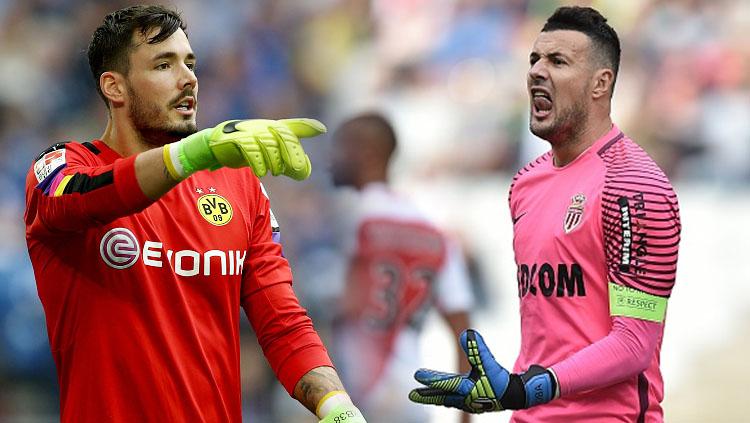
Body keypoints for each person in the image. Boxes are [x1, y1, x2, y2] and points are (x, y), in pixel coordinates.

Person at [23, 5, 365, 423]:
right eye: (163, 65)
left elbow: (283, 324)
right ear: (115, 87)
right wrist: (192, 153)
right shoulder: (64, 167)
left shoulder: (238, 188)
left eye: (190, 63)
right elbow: (86, 196)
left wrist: (339, 410)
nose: (188, 79)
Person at [408, 6, 681, 422]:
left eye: (558, 61)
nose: (537, 71)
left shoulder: (634, 186)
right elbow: (551, 337)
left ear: (600, 83)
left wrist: (528, 387)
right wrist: (501, 390)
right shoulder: (525, 185)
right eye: (534, 59)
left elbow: (634, 343)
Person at [330, 113, 475, 423]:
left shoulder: (349, 218)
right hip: (408, 403)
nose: (332, 158)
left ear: (368, 152)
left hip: (354, 393)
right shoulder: (435, 235)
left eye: (341, 147)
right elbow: (465, 334)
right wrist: (465, 417)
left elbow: (335, 307)